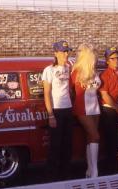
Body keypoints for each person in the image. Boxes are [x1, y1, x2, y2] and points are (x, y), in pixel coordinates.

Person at [42, 40, 74, 181]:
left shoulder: (69, 67)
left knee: (67, 145)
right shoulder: (49, 70)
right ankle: (52, 177)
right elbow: (47, 93)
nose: (66, 54)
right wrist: (50, 115)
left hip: (68, 109)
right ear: (55, 53)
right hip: (56, 110)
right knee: (55, 145)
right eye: (63, 51)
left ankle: (65, 175)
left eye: (67, 51)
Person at [70, 43, 101, 178]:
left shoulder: (95, 72)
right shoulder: (76, 72)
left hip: (95, 107)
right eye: (94, 57)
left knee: (90, 137)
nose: (96, 59)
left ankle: (89, 169)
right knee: (95, 136)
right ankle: (95, 171)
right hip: (82, 108)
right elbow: (70, 91)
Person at [99, 47, 118, 174]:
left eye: (117, 58)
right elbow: (104, 95)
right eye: (113, 58)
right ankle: (110, 169)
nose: (116, 60)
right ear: (107, 61)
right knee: (110, 140)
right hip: (109, 110)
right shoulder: (104, 75)